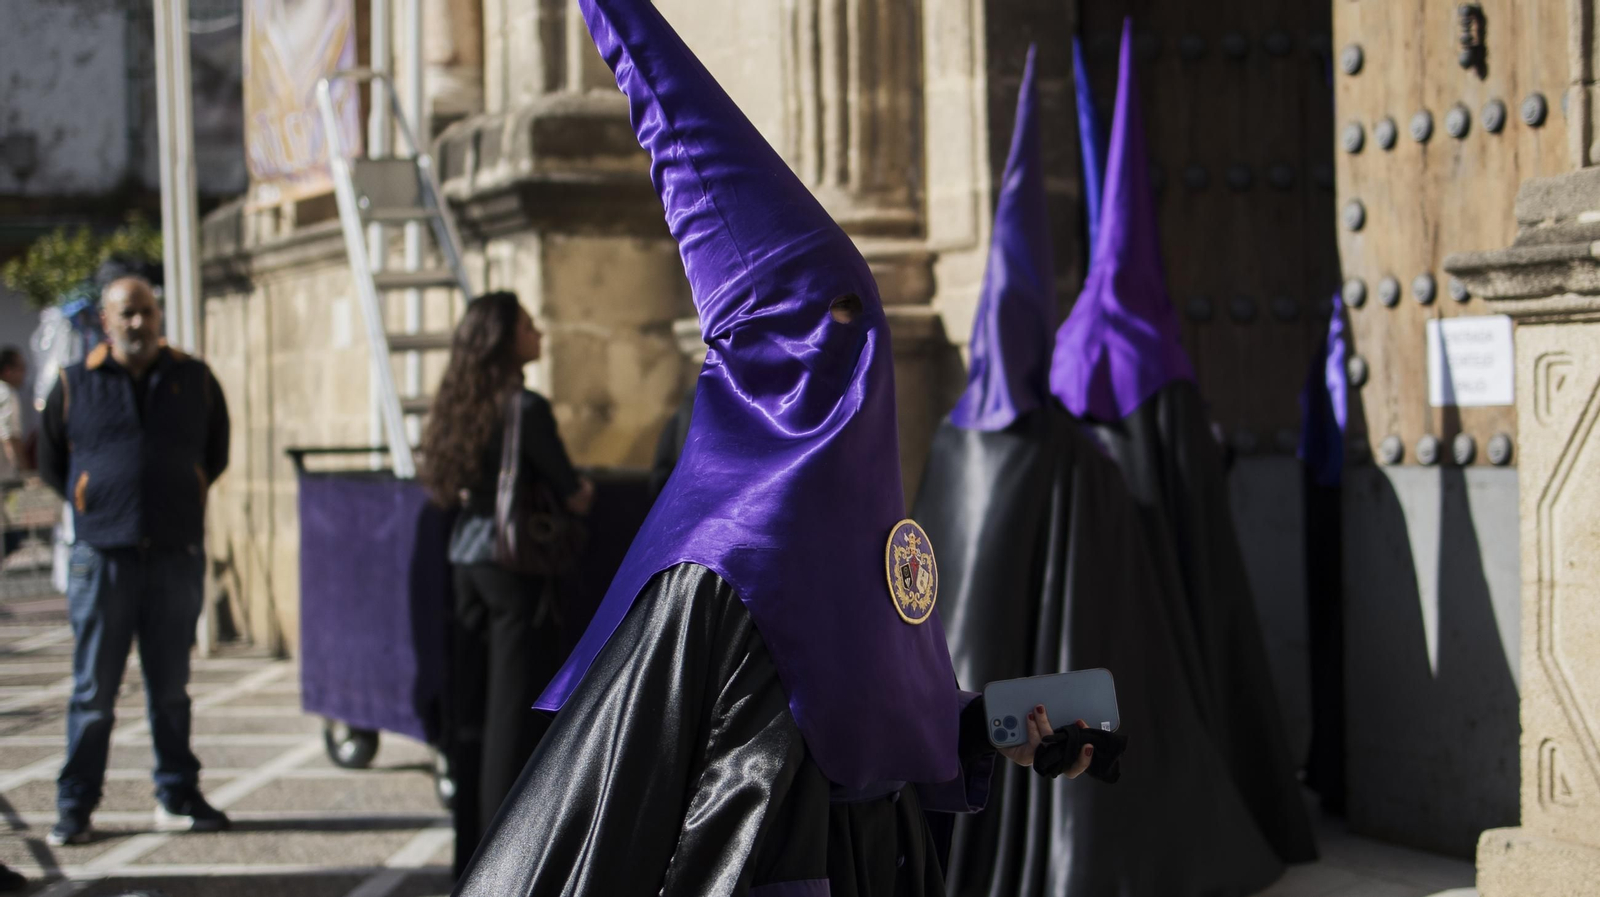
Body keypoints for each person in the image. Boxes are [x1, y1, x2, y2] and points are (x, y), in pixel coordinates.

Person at [452, 3, 1107, 894]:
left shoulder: (871, 529)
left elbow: (878, 724)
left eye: (858, 318)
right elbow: (656, 802)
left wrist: (1000, 724)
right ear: (761, 368)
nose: (858, 354)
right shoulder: (715, 571)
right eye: (824, 324)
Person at [36, 275, 231, 846]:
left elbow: (215, 452)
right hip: (102, 558)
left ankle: (176, 792)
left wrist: (183, 488)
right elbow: (52, 462)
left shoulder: (194, 379)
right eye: (127, 313)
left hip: (174, 555)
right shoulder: (75, 383)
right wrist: (93, 498)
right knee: (93, 692)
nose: (138, 323)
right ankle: (75, 805)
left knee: (170, 688)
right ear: (106, 321)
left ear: (158, 315)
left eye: (147, 311)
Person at [418, 291, 594, 877]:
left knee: (472, 715)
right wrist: (583, 494)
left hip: (464, 564)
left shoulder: (459, 401)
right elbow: (571, 490)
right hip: (512, 570)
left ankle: (468, 851)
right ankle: (502, 865)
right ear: (504, 339)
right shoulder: (526, 407)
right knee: (510, 719)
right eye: (526, 325)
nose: (537, 331)